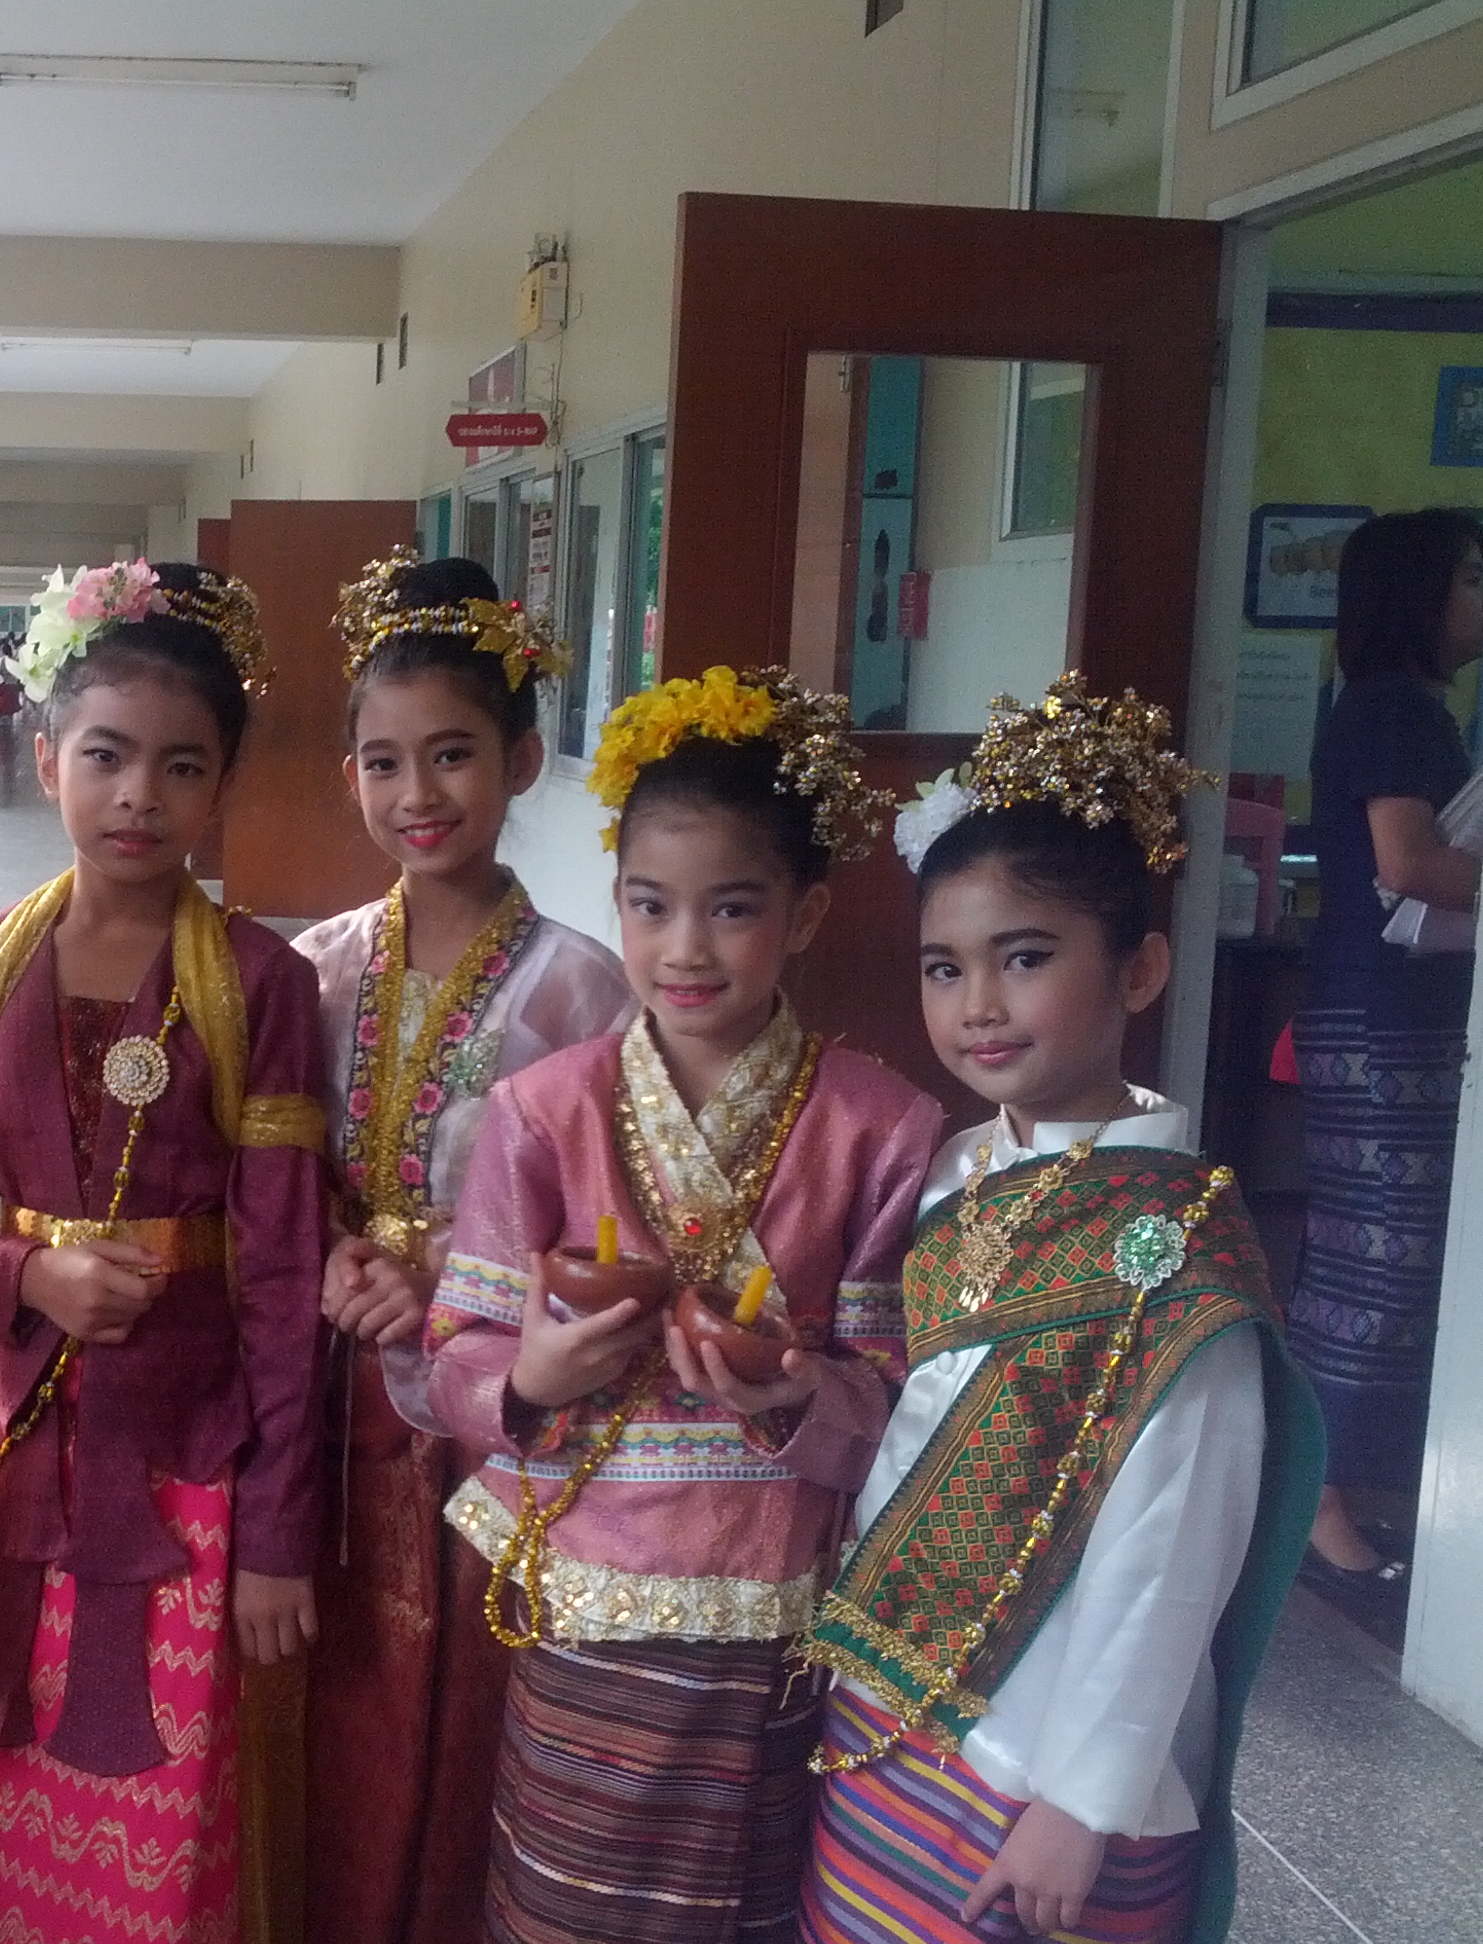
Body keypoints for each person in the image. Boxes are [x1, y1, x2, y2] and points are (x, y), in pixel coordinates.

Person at [796, 678, 1321, 1944]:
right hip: (889, 1711)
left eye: (1025, 958)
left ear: (1140, 970)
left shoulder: (1179, 1244)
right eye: (946, 967)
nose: (978, 1004)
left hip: (1050, 1763)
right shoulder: (952, 1171)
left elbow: (1170, 1546)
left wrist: (1085, 1800)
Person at [426, 666, 944, 1944]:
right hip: (588, 1582)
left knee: (739, 1898)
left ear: (807, 913)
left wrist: (798, 1389)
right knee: (563, 1894)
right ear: (616, 902)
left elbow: (896, 1390)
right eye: (650, 906)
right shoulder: (542, 1110)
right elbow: (458, 1350)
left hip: (772, 1586)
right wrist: (531, 1376)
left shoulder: (881, 1125)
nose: (685, 949)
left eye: (733, 908)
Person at [0, 559, 328, 1944]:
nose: (140, 794)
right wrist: (25, 1274)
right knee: (5, 1774)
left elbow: (283, 1274)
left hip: (191, 1467)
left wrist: (279, 1535)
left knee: (168, 1807)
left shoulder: (261, 984)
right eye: (106, 755)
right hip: (5, 1452)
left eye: (181, 765)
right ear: (45, 761)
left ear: (224, 786)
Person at [293, 550, 633, 1944]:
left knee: (464, 1704)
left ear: (522, 760)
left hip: (490, 1402)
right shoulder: (313, 969)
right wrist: (326, 1253)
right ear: (350, 775)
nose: (417, 793)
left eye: (453, 754)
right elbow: (273, 1171)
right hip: (322, 1392)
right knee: (325, 1697)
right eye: (384, 762)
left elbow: (611, 1224)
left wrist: (448, 1271)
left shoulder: (583, 987)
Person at [1287, 507, 1483, 1604]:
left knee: (1383, 1255)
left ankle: (1348, 1487)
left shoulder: (1398, 708)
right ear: (1418, 595)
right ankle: (1318, 1505)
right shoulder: (1392, 710)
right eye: (1470, 578)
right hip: (1383, 1024)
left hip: (1394, 1016)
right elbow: (1408, 864)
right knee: (1379, 1260)